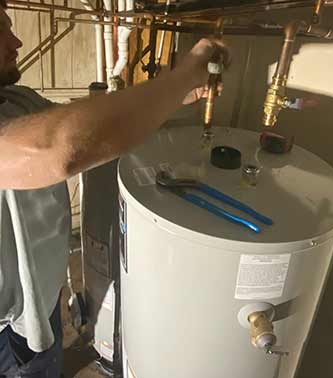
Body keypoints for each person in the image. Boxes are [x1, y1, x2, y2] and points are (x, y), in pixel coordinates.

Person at [0, 0, 230, 376]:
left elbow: (82, 124)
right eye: (1, 29)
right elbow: (54, 148)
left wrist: (173, 99)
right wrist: (187, 73)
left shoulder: (15, 101)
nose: (17, 42)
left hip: (39, 303)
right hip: (6, 332)